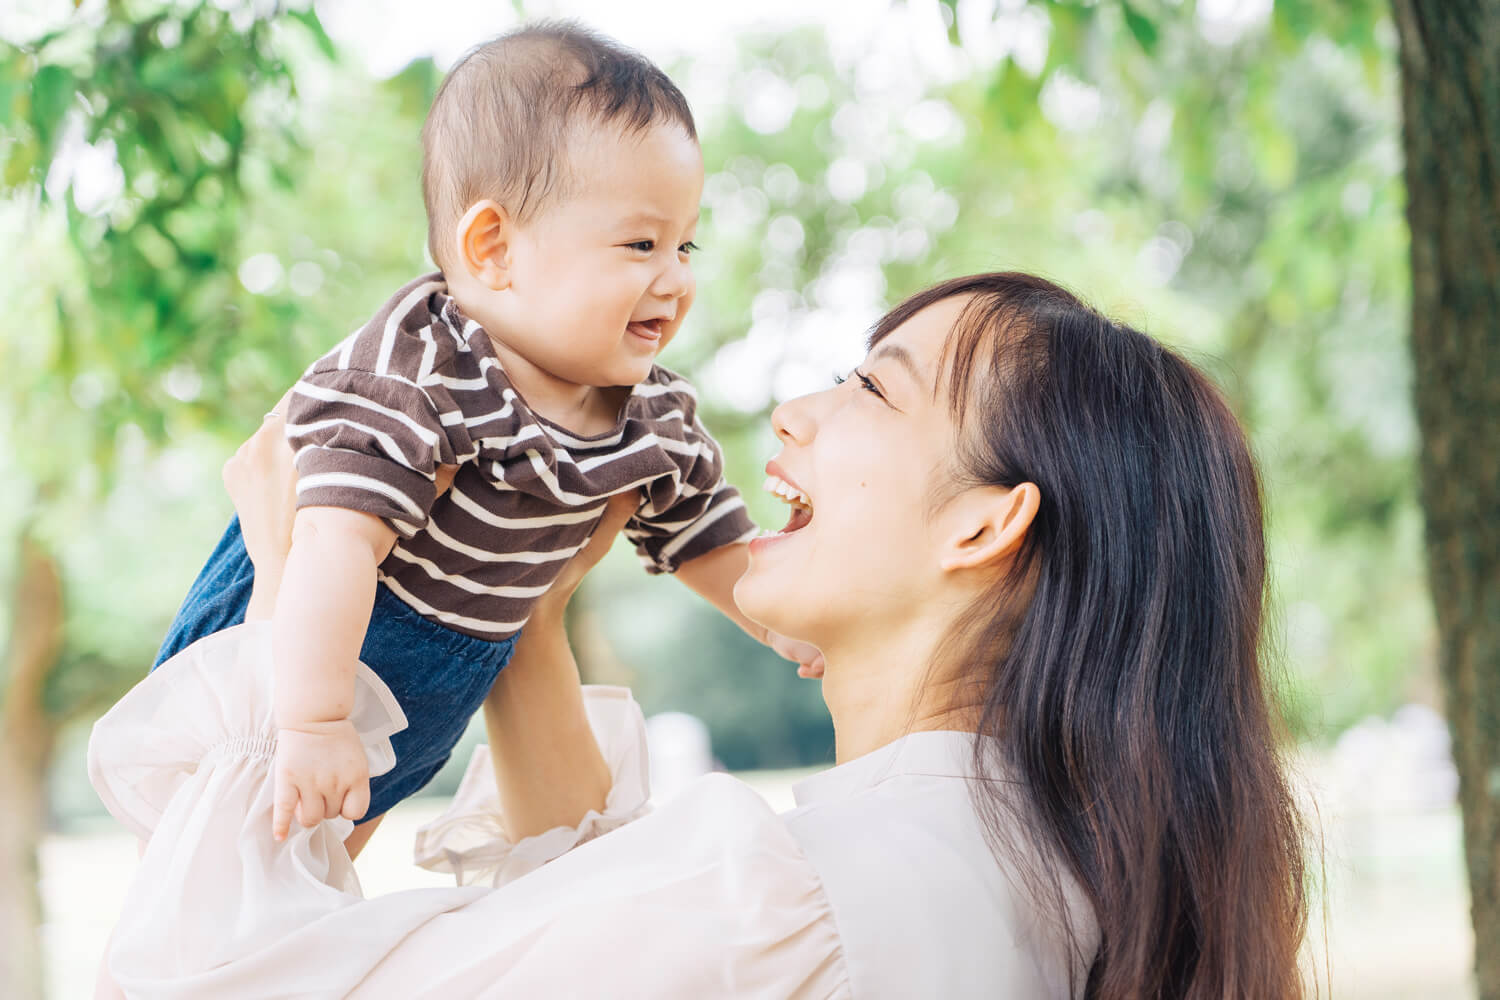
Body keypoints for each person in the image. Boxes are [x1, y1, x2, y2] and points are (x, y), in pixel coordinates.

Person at [90, 272, 1310, 998]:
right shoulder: (1051, 880)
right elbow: (585, 911)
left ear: (986, 526)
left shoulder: (786, 893)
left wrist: (290, 572)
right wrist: (520, 599)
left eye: (871, 389)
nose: (791, 415)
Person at [148, 21, 816, 859]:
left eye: (686, 244)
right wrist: (313, 720)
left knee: (310, 868)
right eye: (642, 244)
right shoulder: (420, 367)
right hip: (314, 630)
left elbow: (709, 540)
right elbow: (333, 545)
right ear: (493, 248)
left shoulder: (652, 416)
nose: (676, 277)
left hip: (449, 675)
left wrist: (788, 624)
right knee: (210, 848)